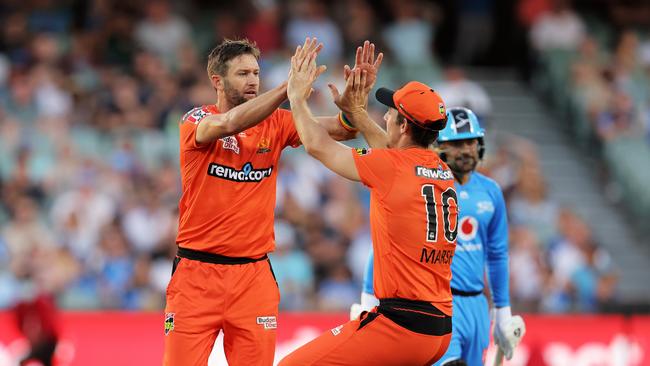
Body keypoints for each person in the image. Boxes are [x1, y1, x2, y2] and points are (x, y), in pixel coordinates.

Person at [164, 37, 367, 366]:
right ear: (217, 80)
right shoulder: (195, 120)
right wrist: (288, 89)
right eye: (243, 73)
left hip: (253, 277)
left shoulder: (277, 123)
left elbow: (342, 132)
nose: (253, 80)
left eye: (256, 73)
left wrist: (351, 109)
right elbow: (231, 123)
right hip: (196, 277)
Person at [279, 40, 457, 366]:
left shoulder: (392, 167)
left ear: (404, 126)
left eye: (390, 113)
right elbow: (390, 154)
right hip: (439, 326)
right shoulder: (439, 167)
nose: (385, 117)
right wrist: (357, 112)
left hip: (402, 323)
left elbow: (318, 146)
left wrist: (296, 97)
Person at [354, 107, 526, 365]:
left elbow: (498, 254)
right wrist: (368, 296)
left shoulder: (491, 191)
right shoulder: (421, 183)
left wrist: (502, 310)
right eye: (457, 143)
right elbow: (387, 240)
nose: (466, 150)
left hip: (477, 304)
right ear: (439, 146)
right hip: (437, 303)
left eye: (471, 142)